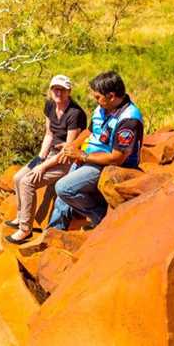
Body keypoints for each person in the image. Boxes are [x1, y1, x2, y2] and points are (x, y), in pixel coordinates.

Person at [48, 71, 144, 231]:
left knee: (64, 188)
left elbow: (117, 158)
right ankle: (54, 231)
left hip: (106, 163)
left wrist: (83, 156)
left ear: (111, 96)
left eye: (98, 97)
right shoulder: (104, 107)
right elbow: (90, 130)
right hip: (89, 156)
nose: (96, 101)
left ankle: (102, 219)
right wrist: (74, 146)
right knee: (62, 195)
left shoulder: (129, 119)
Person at [5, 74, 87, 244]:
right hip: (49, 153)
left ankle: (25, 229)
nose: (58, 92)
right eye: (55, 88)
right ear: (50, 90)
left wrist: (42, 168)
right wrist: (39, 159)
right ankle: (21, 217)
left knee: (28, 182)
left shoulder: (75, 113)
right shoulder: (50, 105)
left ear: (69, 91)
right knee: (18, 177)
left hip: (66, 159)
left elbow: (69, 150)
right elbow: (49, 134)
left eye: (62, 89)